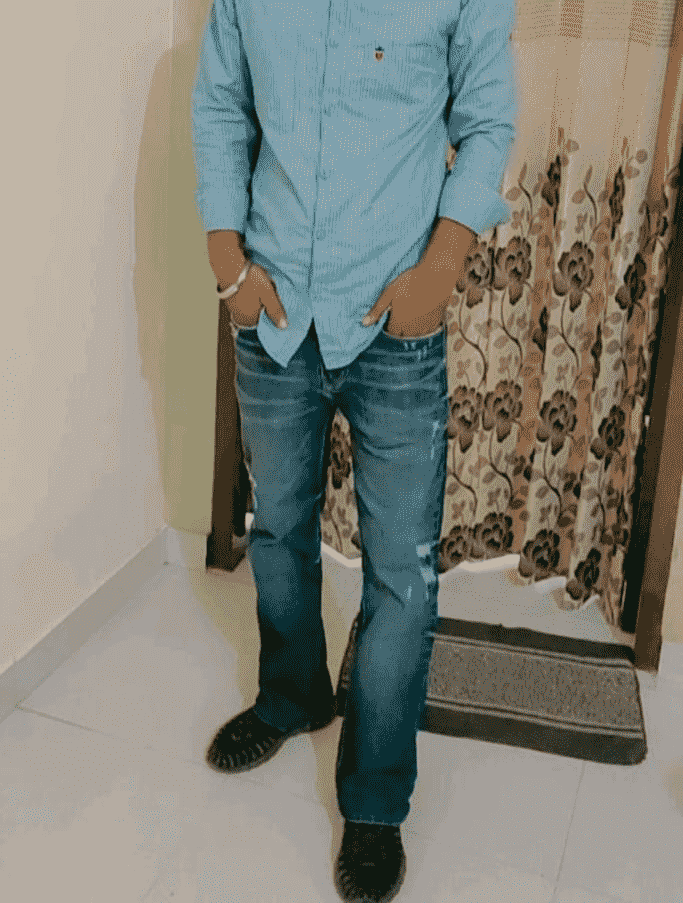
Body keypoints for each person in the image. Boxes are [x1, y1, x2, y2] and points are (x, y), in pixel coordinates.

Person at [191, 1, 517, 900]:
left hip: (394, 324)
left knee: (402, 572)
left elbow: (487, 119)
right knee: (276, 524)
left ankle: (374, 800)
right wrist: (228, 266)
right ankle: (293, 694)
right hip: (273, 313)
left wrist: (438, 273)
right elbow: (220, 104)